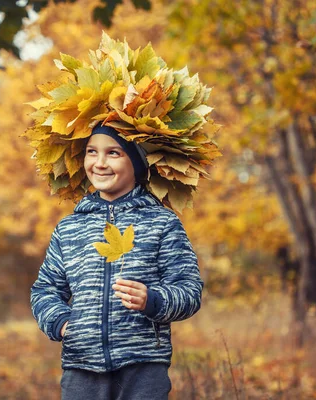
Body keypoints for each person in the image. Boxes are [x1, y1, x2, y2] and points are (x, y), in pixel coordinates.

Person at [30, 123, 204, 399]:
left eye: (113, 153)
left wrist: (153, 300)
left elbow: (189, 290)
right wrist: (61, 322)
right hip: (81, 367)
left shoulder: (162, 223)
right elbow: (45, 290)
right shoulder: (69, 228)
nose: (99, 163)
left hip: (143, 367)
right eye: (91, 152)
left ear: (136, 162)